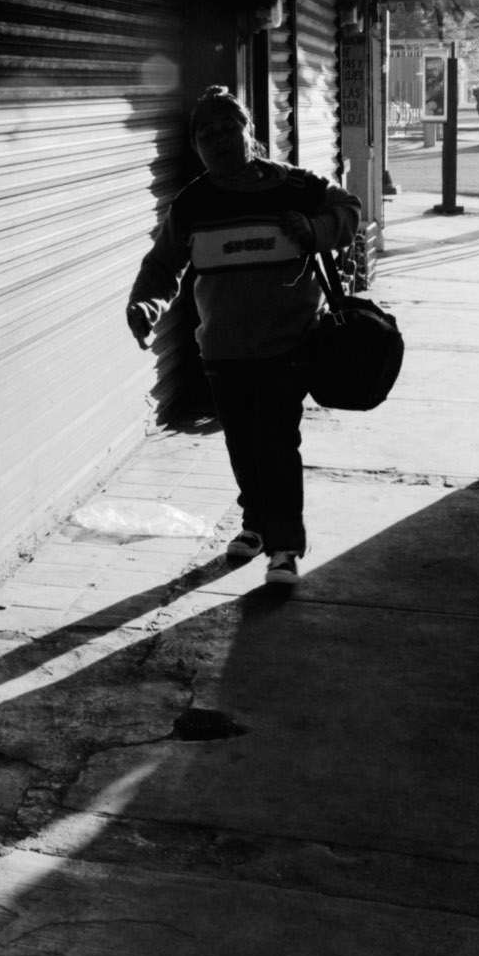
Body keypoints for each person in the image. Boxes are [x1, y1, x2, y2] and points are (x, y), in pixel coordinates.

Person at [126, 86, 361, 586]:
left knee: (274, 440)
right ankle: (255, 525)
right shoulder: (193, 203)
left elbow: (349, 209)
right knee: (241, 442)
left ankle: (285, 547)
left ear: (248, 131)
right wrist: (147, 303)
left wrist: (316, 230)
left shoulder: (294, 186)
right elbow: (164, 264)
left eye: (227, 128)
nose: (218, 140)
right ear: (196, 147)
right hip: (223, 349)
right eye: (206, 134)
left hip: (287, 344)